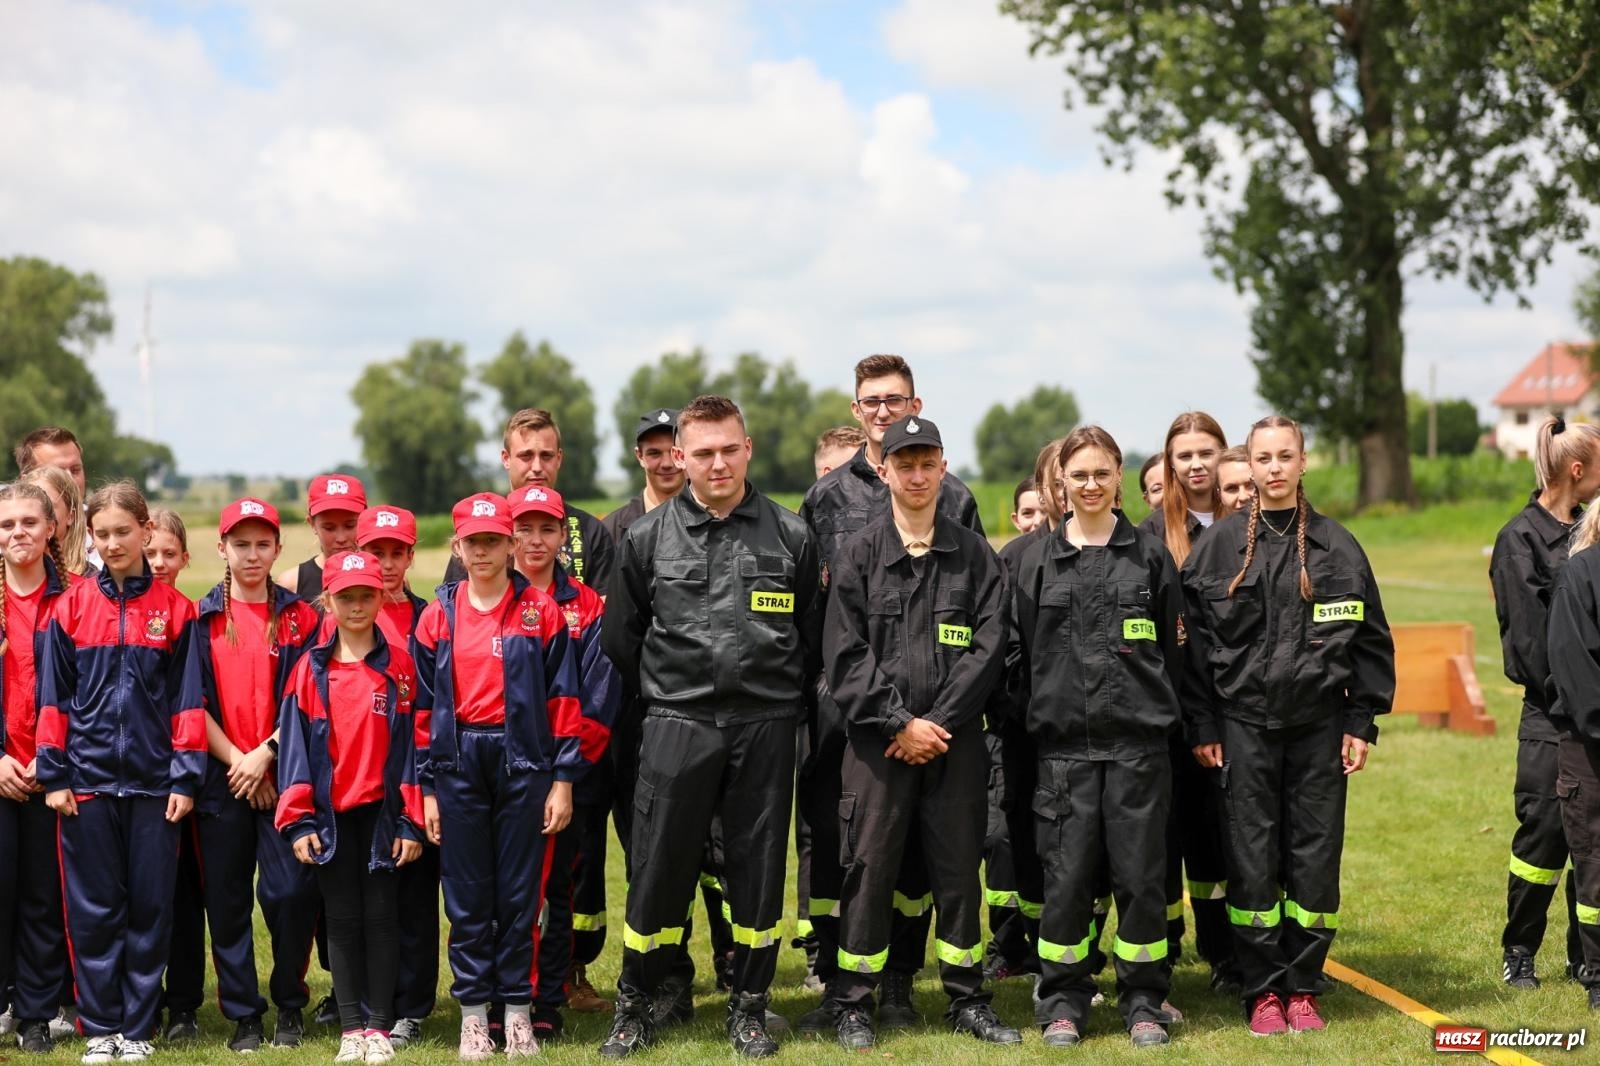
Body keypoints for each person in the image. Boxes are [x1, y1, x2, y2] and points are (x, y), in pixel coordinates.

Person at [601, 395, 822, 1059]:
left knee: (756, 871)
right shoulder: (644, 540)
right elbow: (622, 640)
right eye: (702, 452)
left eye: (729, 448)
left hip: (765, 724)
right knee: (658, 867)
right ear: (680, 459)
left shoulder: (791, 536)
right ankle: (637, 1005)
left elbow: (811, 637)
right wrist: (671, 703)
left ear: (747, 448)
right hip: (677, 720)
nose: (717, 462)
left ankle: (749, 1008)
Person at [1182, 415, 1395, 1036]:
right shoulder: (1218, 549)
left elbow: (1372, 642)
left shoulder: (1339, 547)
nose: (1274, 469)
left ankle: (1302, 985)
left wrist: (1361, 719)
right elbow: (1192, 653)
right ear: (1249, 467)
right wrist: (1203, 724)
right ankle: (1262, 991)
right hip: (1243, 727)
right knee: (1250, 860)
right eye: (1264, 459)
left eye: (1285, 457)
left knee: (1314, 859)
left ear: (1304, 463)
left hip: (1319, 729)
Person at [796, 355, 983, 1036]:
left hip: (938, 722)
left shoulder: (957, 499)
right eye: (871, 400)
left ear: (915, 403)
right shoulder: (826, 500)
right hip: (853, 715)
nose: (882, 409)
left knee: (929, 860)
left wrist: (932, 718)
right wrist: (871, 710)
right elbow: (820, 620)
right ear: (855, 410)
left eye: (895, 399)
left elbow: (976, 621)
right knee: (853, 852)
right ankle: (844, 986)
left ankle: (906, 981)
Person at [823, 415, 1019, 1050]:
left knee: (959, 871)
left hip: (954, 745)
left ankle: (967, 998)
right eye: (903, 463)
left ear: (942, 468)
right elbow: (844, 654)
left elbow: (989, 649)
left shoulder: (975, 556)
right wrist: (898, 722)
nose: (915, 473)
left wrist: (939, 724)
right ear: (884, 471)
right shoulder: (858, 554)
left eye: (926, 462)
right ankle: (854, 1001)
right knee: (869, 868)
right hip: (877, 747)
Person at [1009, 426, 1183, 1048]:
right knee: (1066, 881)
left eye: (1101, 473)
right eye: (1078, 475)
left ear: (1118, 476)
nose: (1089, 485)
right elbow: (1014, 659)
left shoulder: (1151, 558)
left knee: (1141, 880)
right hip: (1063, 758)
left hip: (1139, 752)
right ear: (1060, 481)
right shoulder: (1030, 562)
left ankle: (1143, 1000)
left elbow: (1174, 652)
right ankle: (1062, 1001)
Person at [413, 493, 591, 1060]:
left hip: (524, 763)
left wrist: (562, 779)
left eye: (495, 540)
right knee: (467, 896)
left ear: (512, 544)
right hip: (459, 761)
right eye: (474, 542)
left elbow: (565, 701)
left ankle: (517, 1010)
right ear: (457, 547)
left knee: (518, 896)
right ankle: (472, 1015)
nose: (484, 550)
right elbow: (421, 710)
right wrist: (429, 788)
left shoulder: (540, 611)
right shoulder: (438, 613)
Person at [36, 481, 207, 1064]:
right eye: (101, 534)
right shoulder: (70, 607)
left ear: (146, 532)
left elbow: (188, 704)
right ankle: (101, 1028)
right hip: (84, 783)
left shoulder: (178, 613)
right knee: (93, 910)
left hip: (156, 786)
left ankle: (136, 1029)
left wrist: (185, 778)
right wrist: (54, 775)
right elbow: (53, 699)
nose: (112, 543)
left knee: (150, 908)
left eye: (123, 532)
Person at [599, 408, 734, 1023]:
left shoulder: (723, 520)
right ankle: (670, 979)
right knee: (657, 855)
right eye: (651, 450)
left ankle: (735, 969)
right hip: (651, 722)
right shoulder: (620, 530)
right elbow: (620, 635)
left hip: (729, 724)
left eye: (668, 449)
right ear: (644, 457)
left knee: (725, 854)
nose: (663, 460)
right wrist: (658, 691)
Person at [275, 550, 424, 1065]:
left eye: (366, 595)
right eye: (346, 597)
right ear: (328, 601)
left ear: (381, 597)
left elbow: (411, 750)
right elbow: (293, 750)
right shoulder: (309, 672)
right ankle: (351, 1027)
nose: (357, 605)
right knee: (340, 919)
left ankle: (379, 1027)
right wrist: (298, 819)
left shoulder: (400, 667)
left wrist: (410, 819)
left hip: (382, 815)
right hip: (330, 817)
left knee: (382, 918)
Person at [194, 499, 322, 1054]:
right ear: (222, 548)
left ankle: (290, 1002)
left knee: (290, 893)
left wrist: (266, 755)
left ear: (277, 548)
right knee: (226, 902)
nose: (252, 554)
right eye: (240, 544)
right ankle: (245, 1015)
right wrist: (239, 761)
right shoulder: (201, 619)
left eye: (262, 544)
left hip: (280, 780)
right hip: (223, 782)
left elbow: (306, 699)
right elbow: (190, 705)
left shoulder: (301, 617)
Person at [1491, 416, 1600, 988]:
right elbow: (1531, 646)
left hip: (1594, 718)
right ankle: (1520, 952)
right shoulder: (1520, 540)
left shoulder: (1591, 528)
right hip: (1550, 718)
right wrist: (1577, 703)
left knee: (1594, 843)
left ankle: (1584, 956)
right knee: (1542, 839)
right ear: (1577, 470)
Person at [510, 485, 621, 1038]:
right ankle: (504, 997)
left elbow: (599, 695)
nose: (535, 541)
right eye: (524, 529)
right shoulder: (482, 598)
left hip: (567, 778)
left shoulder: (588, 605)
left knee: (558, 889)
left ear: (562, 537)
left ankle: (548, 999)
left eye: (546, 530)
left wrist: (566, 770)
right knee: (505, 892)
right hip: (502, 777)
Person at [1141, 412, 1234, 994]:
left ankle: (1225, 952)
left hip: (1233, 708)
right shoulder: (1150, 535)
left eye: (1207, 452)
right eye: (1184, 455)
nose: (1196, 465)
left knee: (1217, 838)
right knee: (1162, 836)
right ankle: (1163, 951)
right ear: (1169, 464)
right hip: (1165, 712)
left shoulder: (1248, 524)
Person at [352, 505, 437, 1049]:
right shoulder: (347, 612)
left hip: (418, 774)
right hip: (360, 779)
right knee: (361, 900)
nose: (385, 564)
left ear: (410, 556)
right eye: (375, 552)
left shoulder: (430, 616)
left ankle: (413, 1006)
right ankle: (358, 1001)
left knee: (415, 898)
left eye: (395, 553)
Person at [0, 483, 74, 1055]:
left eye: (29, 521)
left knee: (44, 898)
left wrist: (53, 761)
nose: (17, 532)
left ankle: (36, 1012)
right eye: (6, 524)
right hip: (1, 770)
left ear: (52, 527)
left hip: (54, 773)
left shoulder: (74, 598)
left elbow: (92, 692)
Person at [142, 509, 205, 1043]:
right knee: (137, 897)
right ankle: (137, 999)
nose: (159, 563)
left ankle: (184, 1003)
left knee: (184, 895)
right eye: (152, 553)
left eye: (169, 553)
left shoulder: (190, 617)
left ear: (186, 558)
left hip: (182, 775)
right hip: (133, 774)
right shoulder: (124, 607)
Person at [444, 409, 616, 591]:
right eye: (526, 456)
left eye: (546, 456)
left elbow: (606, 610)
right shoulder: (479, 527)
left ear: (559, 458)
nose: (537, 467)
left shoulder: (591, 531)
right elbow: (452, 609)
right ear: (506, 458)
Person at [277, 475, 367, 601]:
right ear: (312, 524)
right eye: (329, 528)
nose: (341, 538)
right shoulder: (291, 585)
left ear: (365, 520)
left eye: (350, 526)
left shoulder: (386, 580)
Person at [602, 409, 685, 545]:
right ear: (639, 456)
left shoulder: (715, 520)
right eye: (655, 453)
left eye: (674, 452)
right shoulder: (610, 531)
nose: (667, 464)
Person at [21, 467, 90, 577]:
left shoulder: (92, 582)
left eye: (48, 506)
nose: (35, 515)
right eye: (27, 507)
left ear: (70, 516)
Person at [1216, 447, 1255, 515]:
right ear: (1220, 496)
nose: (1243, 497)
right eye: (1231, 489)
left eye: (1251, 486)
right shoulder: (1216, 526)